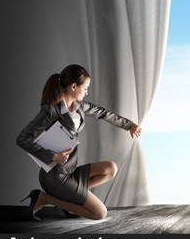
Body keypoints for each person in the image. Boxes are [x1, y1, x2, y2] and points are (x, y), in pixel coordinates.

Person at [16, 64, 142, 220]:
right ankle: (46, 199)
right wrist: (52, 157)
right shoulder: (50, 110)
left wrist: (129, 126)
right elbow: (22, 139)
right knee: (99, 213)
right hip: (55, 176)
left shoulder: (79, 107)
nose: (87, 91)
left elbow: (103, 113)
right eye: (86, 87)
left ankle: (70, 199)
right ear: (74, 86)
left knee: (110, 168)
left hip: (70, 171)